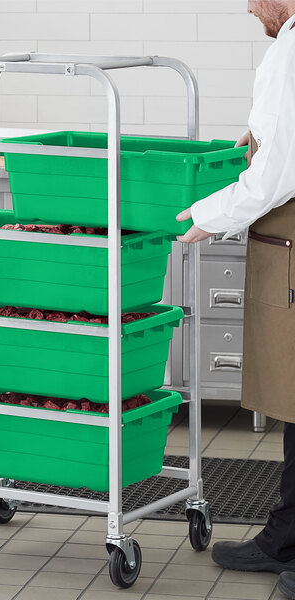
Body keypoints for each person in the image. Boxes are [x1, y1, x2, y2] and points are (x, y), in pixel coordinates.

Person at [175, 1, 295, 597]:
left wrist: (209, 213)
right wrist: (268, 134)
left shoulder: (292, 51)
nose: (249, 5)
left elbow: (278, 173)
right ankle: (287, 537)